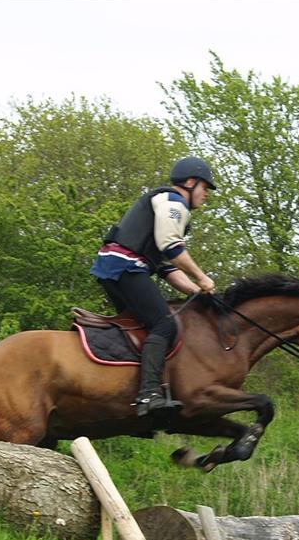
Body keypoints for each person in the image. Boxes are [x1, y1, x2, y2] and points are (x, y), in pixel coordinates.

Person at [90, 156, 218, 415]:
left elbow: (167, 268)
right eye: (205, 188)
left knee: (140, 327)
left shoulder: (165, 205)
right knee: (165, 323)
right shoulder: (174, 202)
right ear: (191, 182)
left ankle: (123, 389)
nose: (206, 195)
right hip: (125, 267)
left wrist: (196, 292)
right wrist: (202, 277)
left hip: (114, 267)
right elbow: (172, 248)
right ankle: (149, 395)